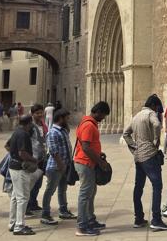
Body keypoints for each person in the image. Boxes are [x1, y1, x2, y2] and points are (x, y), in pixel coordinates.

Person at [123, 95, 167, 231]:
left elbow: (126, 134)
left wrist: (134, 146)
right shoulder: (150, 114)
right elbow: (157, 124)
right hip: (149, 155)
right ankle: (156, 219)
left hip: (138, 156)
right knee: (157, 185)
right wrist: (156, 139)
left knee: (139, 187)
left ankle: (138, 218)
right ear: (154, 106)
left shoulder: (137, 116)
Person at [74, 101, 111, 236]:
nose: (103, 119)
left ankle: (90, 220)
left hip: (88, 162)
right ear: (98, 112)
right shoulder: (89, 125)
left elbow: (90, 146)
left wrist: (98, 154)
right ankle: (81, 226)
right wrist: (100, 163)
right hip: (85, 163)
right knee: (85, 195)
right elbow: (85, 147)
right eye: (103, 115)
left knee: (90, 193)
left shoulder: (89, 122)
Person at [7, 115, 42, 235]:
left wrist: (15, 155)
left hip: (13, 166)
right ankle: (19, 226)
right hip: (20, 168)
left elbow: (8, 146)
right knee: (22, 197)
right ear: (29, 123)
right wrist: (33, 160)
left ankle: (13, 223)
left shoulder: (16, 132)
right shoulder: (24, 134)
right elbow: (22, 153)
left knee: (16, 197)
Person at [41, 109, 76, 225]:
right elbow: (53, 151)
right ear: (60, 118)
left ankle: (63, 210)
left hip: (64, 166)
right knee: (50, 190)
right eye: (66, 118)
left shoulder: (63, 131)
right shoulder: (53, 132)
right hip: (55, 167)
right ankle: (45, 214)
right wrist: (61, 165)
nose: (68, 120)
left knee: (62, 189)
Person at [26, 104, 48, 215]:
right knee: (30, 183)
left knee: (38, 182)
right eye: (37, 113)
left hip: (41, 157)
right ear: (32, 113)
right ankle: (27, 205)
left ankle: (33, 203)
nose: (40, 115)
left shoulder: (43, 124)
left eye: (41, 112)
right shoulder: (29, 126)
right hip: (31, 158)